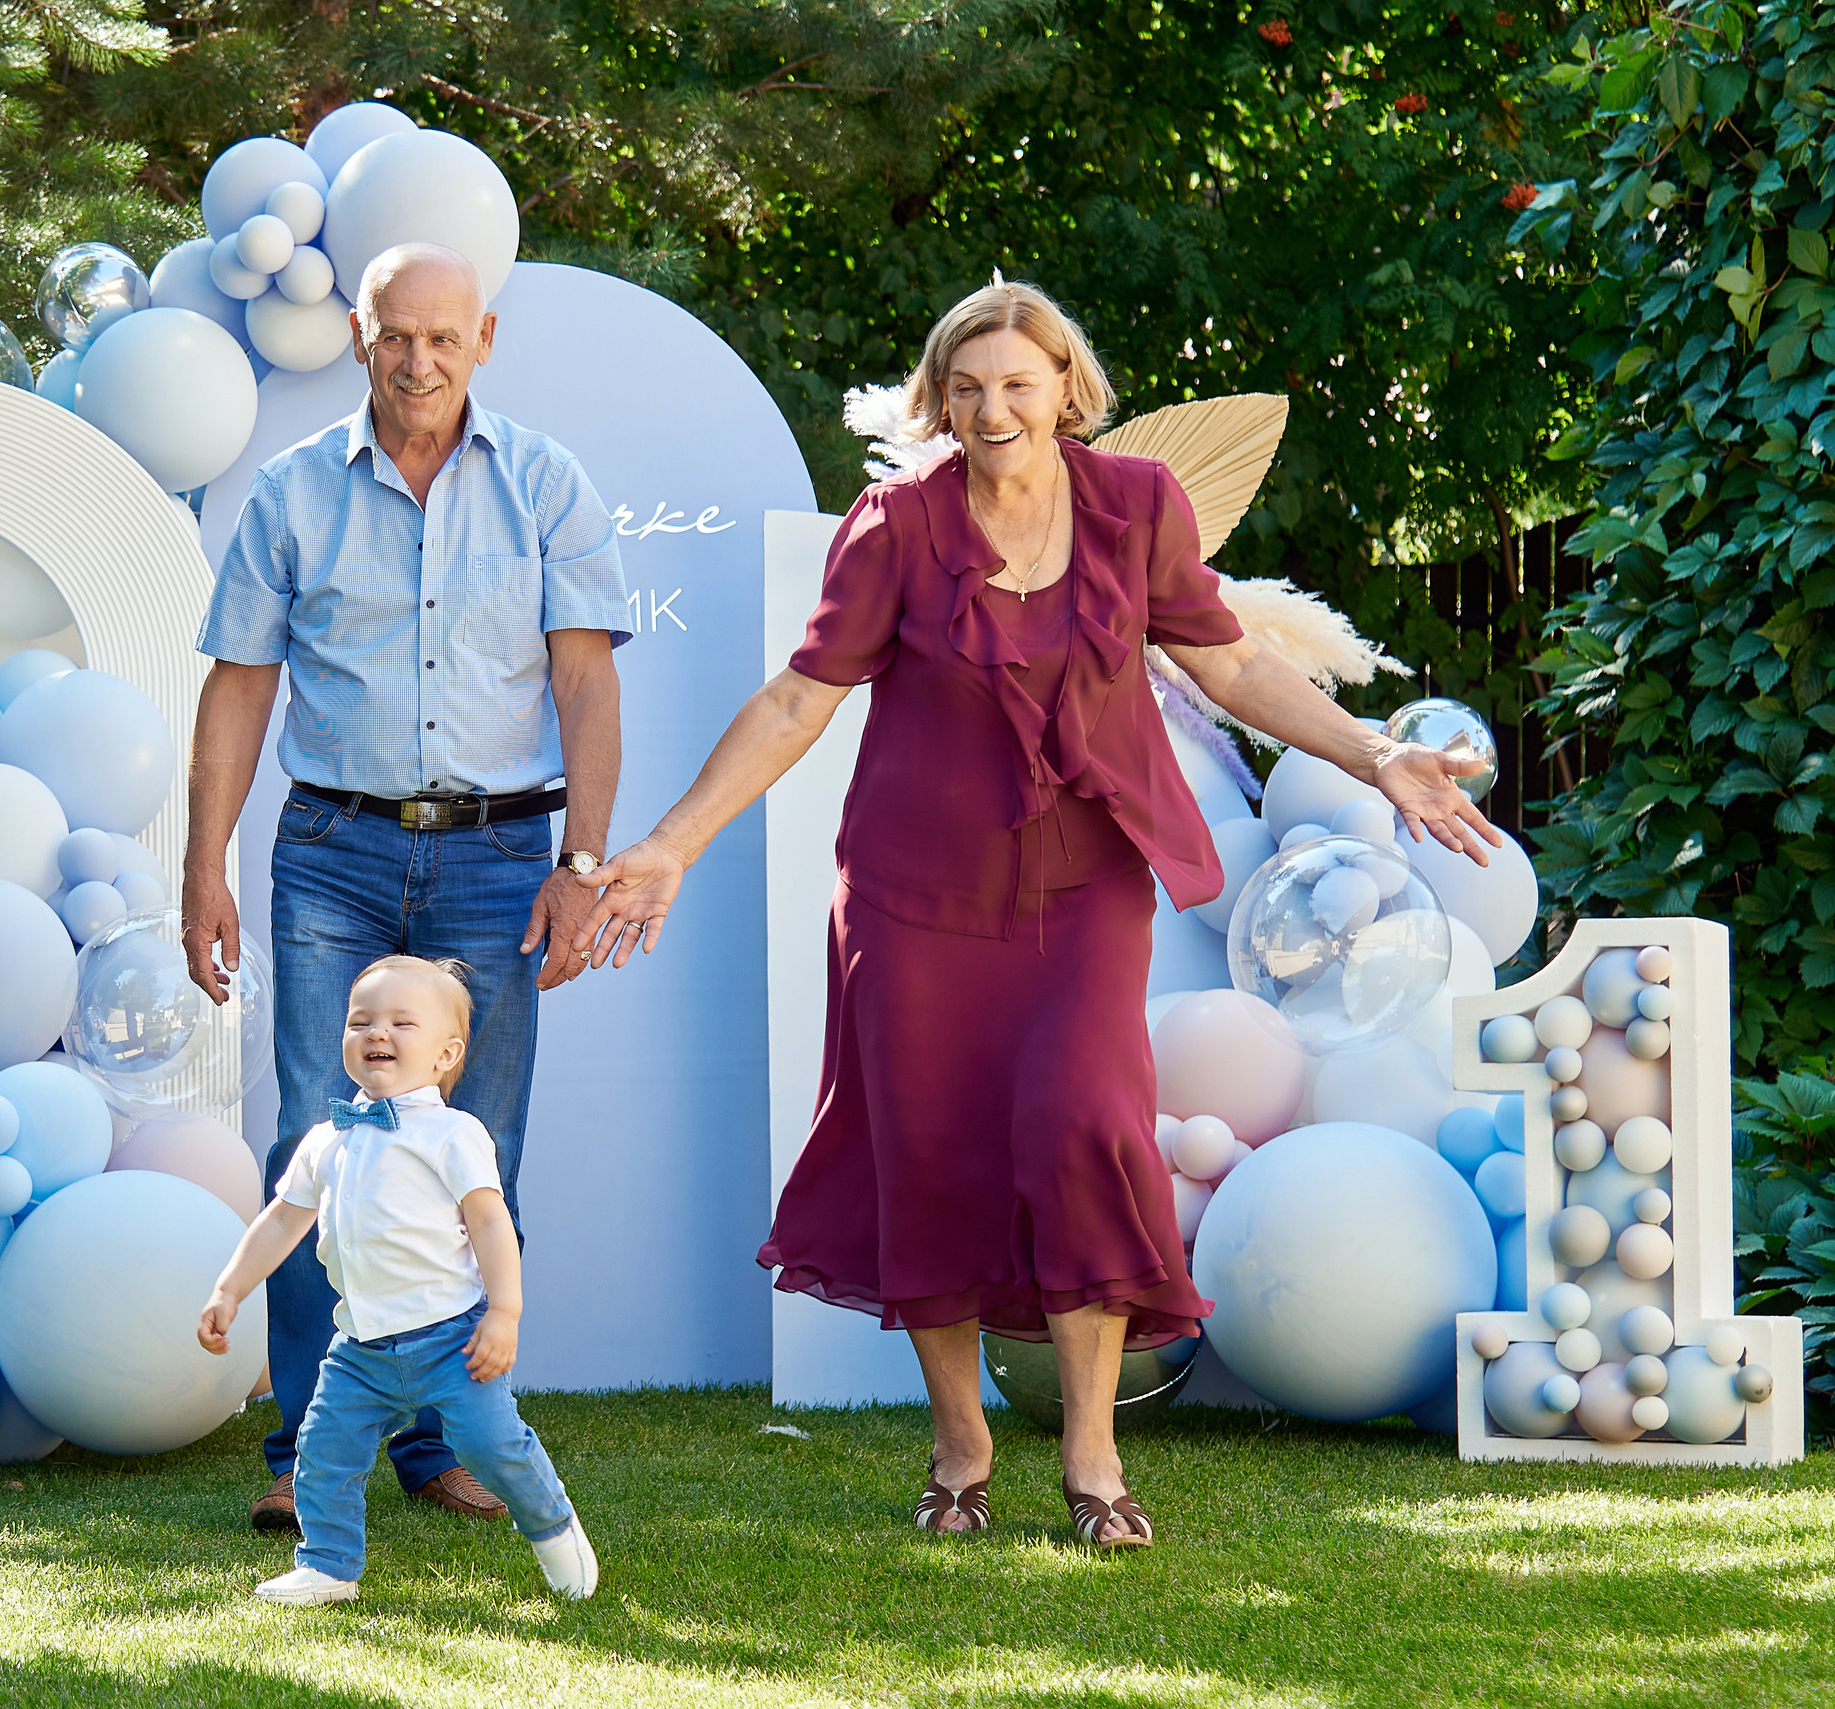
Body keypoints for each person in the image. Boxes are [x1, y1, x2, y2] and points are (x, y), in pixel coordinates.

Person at [570, 280, 1497, 1549]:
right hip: (913, 894)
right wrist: (671, 843)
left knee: (1082, 1129)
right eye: (965, 387)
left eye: (1017, 383)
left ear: (1068, 386)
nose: (991, 409)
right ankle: (960, 1443)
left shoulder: (1136, 509)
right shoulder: (896, 525)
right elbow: (800, 698)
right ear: (938, 400)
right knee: (932, 1150)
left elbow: (1225, 658)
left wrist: (1372, 748)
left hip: (1085, 884)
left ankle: (1091, 1449)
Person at [182, 241, 631, 1533]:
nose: (419, 361)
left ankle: (436, 1446)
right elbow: (241, 685)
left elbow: (588, 683)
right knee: (312, 1151)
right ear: (364, 339)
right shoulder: (290, 491)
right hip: (334, 855)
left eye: (444, 337)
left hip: (500, 865)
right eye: (396, 337)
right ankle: (302, 1448)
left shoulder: (545, 483)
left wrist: (582, 866)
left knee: (467, 1158)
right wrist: (203, 864)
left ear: (482, 339)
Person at [197, 955, 598, 1605]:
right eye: (361, 1021)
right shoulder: (329, 1138)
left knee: (495, 1445)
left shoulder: (453, 1133)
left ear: (447, 1053)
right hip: (360, 1347)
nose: (377, 1032)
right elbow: (280, 1222)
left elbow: (491, 1223)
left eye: (401, 1021)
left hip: (450, 1339)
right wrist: (229, 1288)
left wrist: (505, 1311)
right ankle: (328, 1564)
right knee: (326, 1451)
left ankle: (554, 1530)